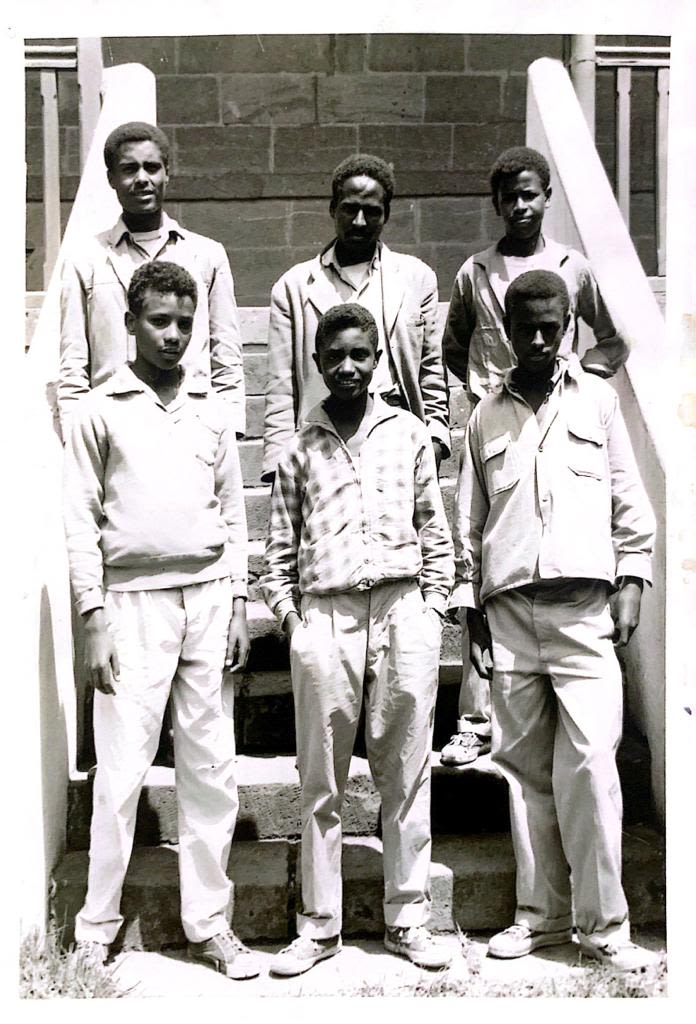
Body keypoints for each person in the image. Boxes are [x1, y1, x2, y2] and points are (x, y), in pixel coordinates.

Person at [449, 269, 656, 971]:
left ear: (568, 326)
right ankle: (540, 916)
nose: (538, 340)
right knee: (524, 772)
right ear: (506, 331)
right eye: (525, 328)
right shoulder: (484, 416)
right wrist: (471, 611)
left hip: (582, 612)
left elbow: (628, 500)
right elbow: (469, 523)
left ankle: (604, 928)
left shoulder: (598, 401)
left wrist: (633, 579)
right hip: (509, 614)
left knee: (592, 766)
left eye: (550, 327)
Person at [63, 261, 259, 979]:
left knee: (210, 768)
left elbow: (233, 513)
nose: (173, 335)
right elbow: (80, 519)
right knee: (120, 772)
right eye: (159, 321)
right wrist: (92, 615)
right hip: (131, 605)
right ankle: (96, 926)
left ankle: (210, 924)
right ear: (130, 323)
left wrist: (238, 601)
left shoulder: (211, 409)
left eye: (184, 322)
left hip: (207, 599)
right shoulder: (99, 410)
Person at [262, 304, 454, 976]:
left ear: (377, 360)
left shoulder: (409, 434)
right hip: (326, 617)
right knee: (321, 778)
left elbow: (434, 528)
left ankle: (408, 919)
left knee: (406, 771)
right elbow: (277, 550)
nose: (347, 367)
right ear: (317, 362)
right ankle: (319, 927)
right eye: (335, 356)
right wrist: (294, 623)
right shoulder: (298, 448)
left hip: (402, 609)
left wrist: (432, 607)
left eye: (360, 355)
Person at [440, 145, 629, 768]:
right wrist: (486, 395)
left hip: (559, 413)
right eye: (509, 197)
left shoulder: (572, 268)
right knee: (487, 561)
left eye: (530, 195)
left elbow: (612, 340)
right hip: (497, 425)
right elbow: (453, 345)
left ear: (547, 198)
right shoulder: (475, 271)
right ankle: (475, 720)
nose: (520, 206)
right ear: (495, 204)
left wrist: (579, 375)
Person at [261, 153, 450, 482]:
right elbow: (280, 386)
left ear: (386, 214)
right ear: (333, 208)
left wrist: (434, 439)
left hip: (398, 436)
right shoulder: (293, 287)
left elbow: (431, 369)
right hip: (323, 442)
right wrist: (278, 464)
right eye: (350, 208)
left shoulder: (417, 278)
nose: (360, 221)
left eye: (372, 211)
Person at [58, 121, 245, 440]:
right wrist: (76, 435)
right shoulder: (86, 259)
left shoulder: (206, 255)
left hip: (192, 425)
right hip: (115, 428)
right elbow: (72, 364)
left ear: (167, 173)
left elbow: (226, 355)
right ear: (111, 179)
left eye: (152, 167)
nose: (142, 179)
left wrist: (229, 429)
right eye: (129, 169)